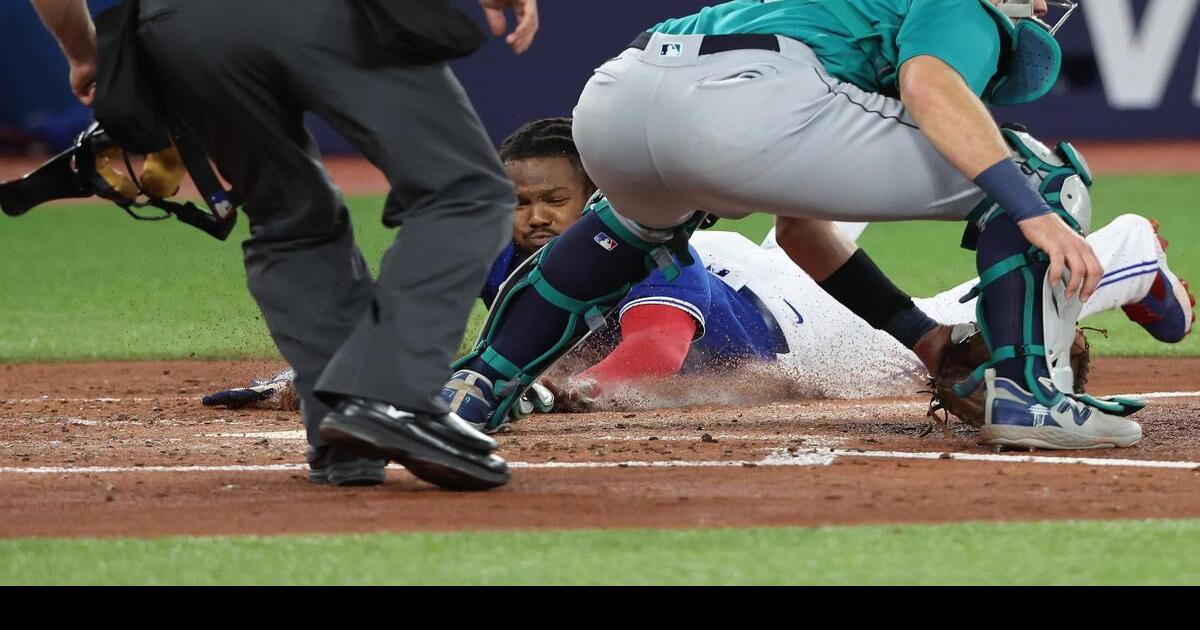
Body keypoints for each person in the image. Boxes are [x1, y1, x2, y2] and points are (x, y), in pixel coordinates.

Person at [443, 0, 1162, 451]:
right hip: (750, 101)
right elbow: (932, 86)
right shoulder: (962, 8)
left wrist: (925, 340)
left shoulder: (828, 12)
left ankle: (477, 387)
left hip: (619, 96)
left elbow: (798, 228)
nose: (1039, 6)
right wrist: (1031, 208)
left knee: (626, 232)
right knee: (1041, 176)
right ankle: (1031, 396)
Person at [33, 0, 540, 491]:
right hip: (323, 15)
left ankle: (345, 442)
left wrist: (84, 52)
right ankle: (385, 398)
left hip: (179, 29)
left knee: (289, 217)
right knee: (465, 191)